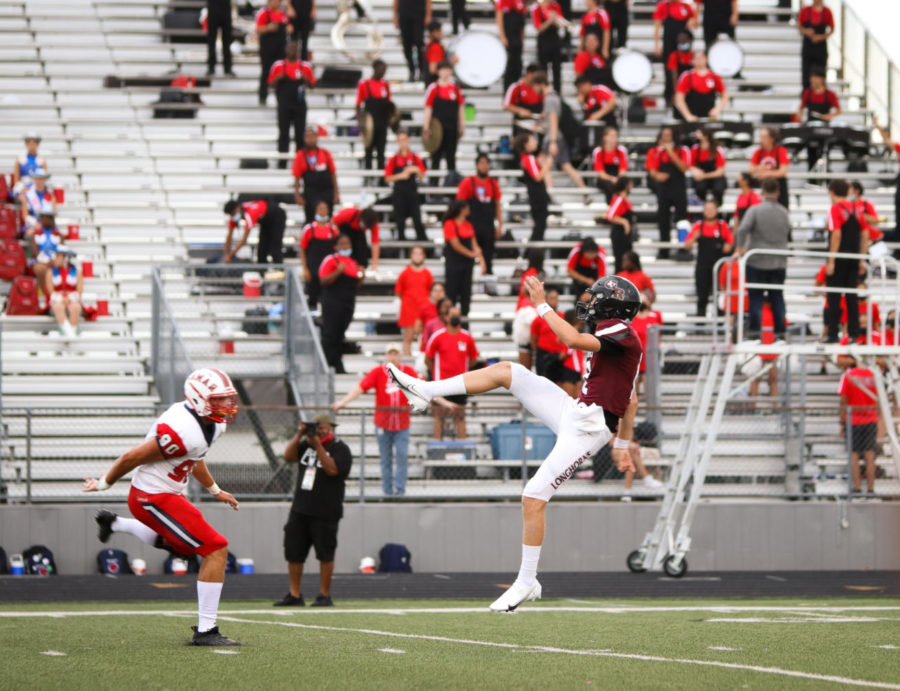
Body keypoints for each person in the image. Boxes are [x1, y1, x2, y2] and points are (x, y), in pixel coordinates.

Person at [388, 274, 641, 612]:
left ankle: (527, 580)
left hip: (588, 427)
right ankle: (425, 390)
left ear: (613, 304)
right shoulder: (618, 339)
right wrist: (622, 444)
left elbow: (571, 340)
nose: (590, 304)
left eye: (596, 299)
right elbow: (632, 399)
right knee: (510, 372)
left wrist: (540, 306)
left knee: (533, 497)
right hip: (576, 411)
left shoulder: (621, 332)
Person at [85, 369, 241, 645]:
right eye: (219, 400)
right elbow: (131, 457)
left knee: (183, 547)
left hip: (169, 494)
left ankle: (114, 523)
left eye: (228, 399)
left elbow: (196, 457)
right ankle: (206, 631)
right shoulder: (181, 430)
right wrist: (104, 484)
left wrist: (215, 490)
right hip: (152, 497)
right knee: (216, 548)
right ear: (199, 400)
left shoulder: (212, 425)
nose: (228, 406)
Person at [276, 412, 352, 607]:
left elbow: (333, 470)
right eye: (316, 427)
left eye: (323, 428)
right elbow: (288, 456)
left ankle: (324, 595)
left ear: (331, 428)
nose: (319, 431)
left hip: (326, 511)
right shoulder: (305, 445)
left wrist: (318, 446)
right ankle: (295, 595)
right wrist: (299, 434)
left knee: (325, 554)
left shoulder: (340, 449)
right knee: (294, 552)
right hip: (300, 509)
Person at [332, 345, 416, 496]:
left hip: (402, 424)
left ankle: (400, 491)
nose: (392, 357)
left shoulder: (408, 372)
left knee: (402, 457)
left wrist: (444, 401)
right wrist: (342, 403)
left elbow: (423, 388)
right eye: (390, 354)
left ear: (400, 356)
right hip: (383, 423)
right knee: (386, 459)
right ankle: (387, 492)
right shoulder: (378, 372)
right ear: (385, 356)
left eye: (395, 354)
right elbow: (360, 388)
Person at [734, 177, 790, 340]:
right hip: (779, 261)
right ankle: (780, 331)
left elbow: (742, 230)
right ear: (778, 193)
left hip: (757, 260)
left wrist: (740, 248)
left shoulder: (755, 210)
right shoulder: (784, 212)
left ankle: (754, 331)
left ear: (762, 193)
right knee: (777, 297)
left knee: (755, 298)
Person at [424, 306, 480, 440]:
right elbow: (428, 359)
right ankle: (437, 447)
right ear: (446, 317)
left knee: (460, 416)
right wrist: (438, 374)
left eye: (458, 315)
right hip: (442, 384)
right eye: (453, 315)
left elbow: (473, 360)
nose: (455, 317)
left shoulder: (467, 337)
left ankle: (462, 448)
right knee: (439, 416)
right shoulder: (438, 336)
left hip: (461, 384)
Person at [824, 179, 868, 344]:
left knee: (834, 298)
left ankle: (833, 334)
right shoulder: (856, 209)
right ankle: (854, 334)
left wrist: (831, 260)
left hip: (840, 258)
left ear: (832, 192)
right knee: (851, 297)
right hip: (854, 258)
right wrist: (862, 259)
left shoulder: (835, 209)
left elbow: (836, 234)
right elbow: (865, 234)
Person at [319, 234, 364, 373]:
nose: (345, 247)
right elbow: (323, 280)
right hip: (333, 303)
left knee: (339, 335)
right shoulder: (331, 260)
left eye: (348, 244)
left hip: (348, 304)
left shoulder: (352, 262)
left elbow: (356, 284)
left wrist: (362, 275)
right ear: (336, 246)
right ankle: (329, 365)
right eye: (342, 244)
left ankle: (337, 364)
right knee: (330, 335)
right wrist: (338, 272)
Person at [269, 41, 315, 169]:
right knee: (283, 133)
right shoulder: (278, 65)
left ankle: (300, 163)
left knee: (300, 135)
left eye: (295, 48)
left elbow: (313, 84)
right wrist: (278, 78)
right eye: (290, 48)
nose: (292, 51)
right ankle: (282, 163)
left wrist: (306, 80)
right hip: (284, 105)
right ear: (286, 50)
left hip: (299, 105)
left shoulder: (305, 66)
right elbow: (270, 84)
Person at [684, 197, 733, 317]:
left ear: (717, 210)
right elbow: (686, 246)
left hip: (719, 269)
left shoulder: (722, 226)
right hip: (702, 267)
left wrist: (728, 245)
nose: (709, 211)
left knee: (720, 297)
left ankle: (721, 325)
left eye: (712, 208)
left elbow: (731, 243)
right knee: (702, 297)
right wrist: (694, 238)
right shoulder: (698, 226)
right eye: (707, 209)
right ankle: (700, 325)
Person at [646, 126, 689, 259]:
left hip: (678, 187)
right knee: (663, 219)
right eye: (663, 135)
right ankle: (664, 249)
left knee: (682, 219)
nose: (665, 138)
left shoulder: (682, 150)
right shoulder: (655, 151)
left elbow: (684, 168)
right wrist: (658, 176)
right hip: (663, 189)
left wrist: (671, 152)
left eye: (668, 135)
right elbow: (651, 170)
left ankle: (683, 248)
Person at [541, 78, 589, 194]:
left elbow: (553, 120)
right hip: (560, 137)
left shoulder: (550, 99)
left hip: (553, 138)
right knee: (567, 166)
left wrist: (552, 141)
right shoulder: (557, 97)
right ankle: (585, 193)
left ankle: (550, 195)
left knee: (545, 165)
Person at [457, 154, 503, 276]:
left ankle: (487, 282)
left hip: (488, 226)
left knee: (488, 256)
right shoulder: (468, 182)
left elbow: (498, 206)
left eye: (486, 163)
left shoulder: (493, 183)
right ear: (476, 165)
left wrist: (499, 225)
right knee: (470, 255)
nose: (484, 166)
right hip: (472, 226)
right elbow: (459, 205)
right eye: (481, 163)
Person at [838, 362, 879, 497]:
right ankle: (871, 489)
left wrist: (841, 421)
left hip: (853, 419)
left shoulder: (848, 375)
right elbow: (879, 399)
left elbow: (843, 400)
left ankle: (857, 488)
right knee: (870, 455)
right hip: (871, 418)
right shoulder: (874, 374)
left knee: (853, 455)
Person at [442, 199, 486, 316]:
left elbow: (475, 245)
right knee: (452, 293)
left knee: (466, 293)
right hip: (454, 264)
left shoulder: (468, 224)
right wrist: (472, 255)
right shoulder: (450, 223)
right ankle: (450, 319)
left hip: (467, 265)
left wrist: (482, 261)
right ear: (461, 210)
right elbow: (455, 245)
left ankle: (464, 318)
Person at [385, 130, 427, 242]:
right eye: (400, 140)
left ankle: (422, 242)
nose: (403, 142)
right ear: (397, 142)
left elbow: (422, 175)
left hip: (412, 192)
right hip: (399, 193)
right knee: (400, 221)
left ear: (408, 140)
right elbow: (387, 178)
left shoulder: (414, 157)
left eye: (405, 139)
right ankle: (401, 242)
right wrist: (401, 176)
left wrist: (416, 169)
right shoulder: (393, 159)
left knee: (417, 219)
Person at [797, 65, 841, 170]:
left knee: (824, 153)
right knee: (811, 153)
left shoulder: (829, 94)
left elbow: (838, 110)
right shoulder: (808, 93)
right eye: (812, 77)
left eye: (815, 77)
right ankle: (811, 176)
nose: (813, 80)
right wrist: (799, 117)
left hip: (824, 128)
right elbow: (801, 108)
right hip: (811, 128)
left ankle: (823, 175)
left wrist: (829, 116)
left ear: (822, 78)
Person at [423, 61, 465, 174]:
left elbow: (460, 108)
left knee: (451, 157)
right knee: (435, 157)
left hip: (452, 128)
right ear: (438, 72)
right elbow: (428, 108)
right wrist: (426, 127)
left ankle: (451, 184)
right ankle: (433, 186)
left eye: (448, 69)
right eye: (443, 70)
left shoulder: (455, 88)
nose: (445, 73)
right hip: (437, 130)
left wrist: (462, 125)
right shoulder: (433, 88)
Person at [653, 0, 698, 103]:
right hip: (669, 44)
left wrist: (692, 21)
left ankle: (689, 95)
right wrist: (657, 45)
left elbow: (695, 25)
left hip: (683, 45)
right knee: (669, 71)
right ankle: (670, 96)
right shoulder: (663, 6)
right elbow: (657, 27)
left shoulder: (686, 7)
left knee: (685, 70)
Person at [293, 127, 339, 224]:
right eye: (307, 136)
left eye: (312, 136)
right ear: (304, 138)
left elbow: (333, 174)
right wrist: (297, 195)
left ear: (317, 137)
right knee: (311, 220)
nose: (310, 139)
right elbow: (297, 177)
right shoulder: (300, 155)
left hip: (326, 192)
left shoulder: (325, 153)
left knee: (327, 219)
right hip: (311, 193)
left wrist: (336, 194)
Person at [299, 200, 339, 310]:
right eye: (321, 208)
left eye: (325, 208)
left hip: (327, 271)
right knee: (312, 298)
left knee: (327, 298)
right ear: (316, 210)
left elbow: (338, 249)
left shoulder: (333, 229)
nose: (323, 211)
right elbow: (302, 249)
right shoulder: (309, 228)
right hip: (312, 269)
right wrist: (305, 269)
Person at [395, 246, 434, 355]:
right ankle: (408, 361)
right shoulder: (405, 273)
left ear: (424, 256)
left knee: (425, 338)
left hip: (423, 311)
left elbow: (431, 291)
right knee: (408, 338)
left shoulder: (427, 274)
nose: (417, 256)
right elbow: (398, 292)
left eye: (420, 253)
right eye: (415, 253)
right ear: (410, 256)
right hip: (408, 310)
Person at [513, 131, 552, 242]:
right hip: (537, 194)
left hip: (535, 194)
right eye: (532, 140)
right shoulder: (528, 158)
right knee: (540, 224)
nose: (535, 142)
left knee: (540, 223)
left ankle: (532, 250)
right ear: (526, 145)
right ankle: (531, 250)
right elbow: (538, 177)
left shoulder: (527, 157)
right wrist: (548, 164)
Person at [223, 198, 286, 265]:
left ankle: (280, 270)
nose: (233, 216)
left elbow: (244, 240)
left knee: (274, 247)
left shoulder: (249, 214)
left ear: (237, 207)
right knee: (261, 250)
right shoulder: (236, 215)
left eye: (233, 213)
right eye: (231, 215)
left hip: (277, 216)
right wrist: (226, 253)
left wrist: (230, 255)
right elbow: (229, 236)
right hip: (265, 221)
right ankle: (262, 272)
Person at [357, 60, 393, 172]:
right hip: (369, 123)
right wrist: (361, 123)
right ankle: (368, 177)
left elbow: (389, 105)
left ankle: (381, 180)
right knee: (368, 150)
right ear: (375, 69)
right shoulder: (364, 84)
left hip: (382, 122)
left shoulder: (385, 84)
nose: (383, 72)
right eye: (382, 70)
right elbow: (358, 105)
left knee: (381, 151)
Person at [672, 50, 728, 121]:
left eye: (701, 58)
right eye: (697, 58)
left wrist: (717, 109)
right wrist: (688, 115)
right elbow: (679, 98)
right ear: (692, 61)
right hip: (692, 118)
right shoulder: (687, 76)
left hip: (708, 119)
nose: (699, 60)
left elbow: (725, 96)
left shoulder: (714, 77)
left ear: (706, 59)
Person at [513, 249, 544, 369]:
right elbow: (524, 290)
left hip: (524, 308)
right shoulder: (532, 273)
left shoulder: (530, 271)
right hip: (529, 310)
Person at [255, 0, 290, 105]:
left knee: (281, 73)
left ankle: (281, 98)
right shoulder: (264, 13)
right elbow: (258, 29)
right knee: (266, 71)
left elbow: (289, 27)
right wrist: (268, 28)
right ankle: (263, 96)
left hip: (281, 48)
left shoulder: (284, 14)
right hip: (267, 48)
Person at [630, 291, 663, 397]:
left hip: (649, 356)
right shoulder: (632, 317)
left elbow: (659, 334)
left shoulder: (655, 316)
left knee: (649, 391)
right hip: (634, 356)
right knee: (633, 391)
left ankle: (650, 412)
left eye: (645, 300)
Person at [748, 126, 790, 209]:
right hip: (764, 185)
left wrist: (766, 173)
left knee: (782, 208)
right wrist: (761, 168)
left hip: (778, 186)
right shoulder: (759, 152)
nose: (761, 140)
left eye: (764, 137)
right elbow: (750, 169)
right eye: (761, 137)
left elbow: (783, 172)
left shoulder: (780, 150)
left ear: (772, 139)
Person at [46, 249, 82, 339]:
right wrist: (61, 299)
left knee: (76, 307)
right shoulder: (50, 272)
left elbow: (79, 290)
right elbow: (50, 291)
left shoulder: (77, 272)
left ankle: (72, 333)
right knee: (58, 307)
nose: (55, 259)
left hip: (72, 299)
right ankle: (70, 334)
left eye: (58, 257)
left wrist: (69, 299)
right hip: (57, 299)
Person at [798, 0, 833, 90]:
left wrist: (821, 37)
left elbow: (832, 29)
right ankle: (806, 95)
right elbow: (800, 26)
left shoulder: (827, 12)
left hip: (820, 47)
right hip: (808, 46)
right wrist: (807, 32)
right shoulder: (805, 10)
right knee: (806, 72)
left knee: (820, 70)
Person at [530, 289, 566, 378]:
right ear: (546, 300)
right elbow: (533, 339)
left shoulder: (563, 316)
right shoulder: (538, 319)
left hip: (560, 356)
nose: (554, 301)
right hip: (544, 354)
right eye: (552, 298)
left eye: (556, 298)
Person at [503, 64, 545, 137]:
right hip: (521, 126)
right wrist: (520, 110)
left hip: (537, 125)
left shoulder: (539, 88)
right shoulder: (516, 87)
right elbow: (506, 106)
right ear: (529, 74)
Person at [333, 205, 380, 270]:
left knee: (362, 253)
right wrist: (338, 237)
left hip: (358, 236)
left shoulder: (373, 223)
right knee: (344, 244)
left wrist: (374, 265)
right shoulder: (350, 213)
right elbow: (333, 222)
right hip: (343, 233)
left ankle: (360, 269)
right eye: (364, 225)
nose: (364, 227)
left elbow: (375, 244)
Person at [394, 0, 431, 82]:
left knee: (419, 43)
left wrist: (428, 14)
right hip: (404, 14)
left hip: (418, 14)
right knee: (406, 45)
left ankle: (422, 70)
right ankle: (412, 70)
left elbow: (428, 1)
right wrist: (395, 16)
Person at [496, 0, 529, 90]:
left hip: (517, 38)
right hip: (508, 37)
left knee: (518, 67)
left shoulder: (521, 2)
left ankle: (516, 91)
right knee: (509, 68)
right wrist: (502, 36)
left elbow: (522, 23)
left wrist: (522, 38)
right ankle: (507, 91)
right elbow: (499, 18)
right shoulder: (504, 2)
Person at [532, 0, 564, 93]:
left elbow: (561, 24)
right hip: (543, 41)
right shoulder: (536, 8)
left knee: (557, 69)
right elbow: (539, 28)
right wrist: (550, 20)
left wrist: (556, 19)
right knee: (543, 69)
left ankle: (558, 92)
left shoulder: (556, 6)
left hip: (555, 39)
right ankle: (543, 92)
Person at [689, 127, 726, 204]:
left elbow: (720, 172)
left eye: (699, 133)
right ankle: (702, 204)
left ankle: (717, 206)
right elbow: (690, 165)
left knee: (718, 189)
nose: (696, 135)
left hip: (715, 176)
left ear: (705, 136)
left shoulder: (717, 149)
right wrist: (696, 171)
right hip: (702, 175)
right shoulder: (695, 148)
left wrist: (704, 175)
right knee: (700, 188)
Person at [605, 177, 636, 272]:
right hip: (619, 234)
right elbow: (610, 216)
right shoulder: (618, 198)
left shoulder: (625, 199)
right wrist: (625, 222)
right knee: (620, 262)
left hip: (626, 236)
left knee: (628, 262)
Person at [578, 78, 618, 149]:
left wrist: (599, 114)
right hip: (596, 129)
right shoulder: (585, 97)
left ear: (587, 84)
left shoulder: (598, 90)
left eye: (580, 87)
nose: (580, 90)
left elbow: (613, 101)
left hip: (608, 122)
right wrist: (581, 103)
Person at [590, 127, 627, 202]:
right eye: (612, 136)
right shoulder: (598, 151)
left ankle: (622, 205)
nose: (614, 138)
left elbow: (622, 171)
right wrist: (612, 179)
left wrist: (617, 180)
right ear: (605, 137)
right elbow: (601, 174)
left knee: (626, 182)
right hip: (605, 178)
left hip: (617, 177)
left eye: (616, 136)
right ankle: (611, 205)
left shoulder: (621, 150)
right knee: (608, 184)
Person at [30, 202, 61, 289]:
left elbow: (62, 250)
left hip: (55, 260)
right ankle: (45, 291)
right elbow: (35, 252)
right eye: (44, 217)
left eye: (49, 217)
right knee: (40, 269)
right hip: (41, 260)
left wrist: (56, 260)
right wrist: (46, 261)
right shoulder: (35, 234)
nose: (47, 219)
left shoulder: (58, 234)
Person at [18, 168, 54, 237]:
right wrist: (35, 224)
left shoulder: (51, 196)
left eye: (42, 179)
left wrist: (43, 224)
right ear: (34, 180)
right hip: (32, 225)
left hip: (47, 225)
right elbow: (25, 216)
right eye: (38, 179)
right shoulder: (28, 195)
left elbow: (52, 214)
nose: (40, 181)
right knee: (30, 233)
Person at [206, 0, 235, 77]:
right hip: (213, 11)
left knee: (227, 42)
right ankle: (211, 67)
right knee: (211, 42)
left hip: (225, 11)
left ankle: (228, 68)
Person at [666, 30, 695, 101]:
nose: (682, 42)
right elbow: (674, 76)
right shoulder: (674, 55)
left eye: (684, 40)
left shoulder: (694, 56)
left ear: (690, 40)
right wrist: (677, 93)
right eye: (680, 40)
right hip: (679, 89)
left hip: (692, 90)